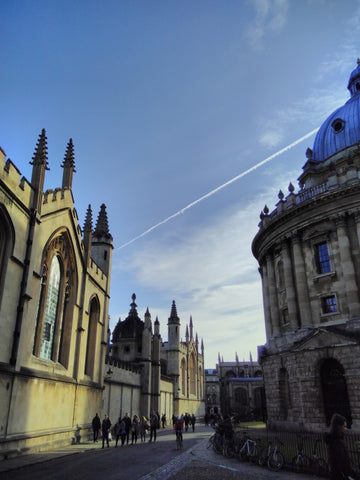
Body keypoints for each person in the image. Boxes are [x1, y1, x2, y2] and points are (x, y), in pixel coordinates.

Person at [325, 413, 360, 480]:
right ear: (338, 427)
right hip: (340, 476)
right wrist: (355, 476)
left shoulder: (335, 440)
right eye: (344, 426)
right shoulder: (336, 443)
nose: (346, 429)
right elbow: (343, 464)